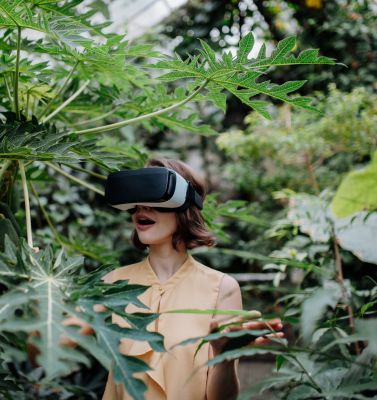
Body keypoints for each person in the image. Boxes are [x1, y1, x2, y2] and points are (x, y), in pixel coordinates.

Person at [99, 157, 283, 400]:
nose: (141, 208)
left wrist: (225, 356)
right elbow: (44, 353)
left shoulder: (222, 288)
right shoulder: (112, 283)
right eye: (137, 199)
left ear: (186, 204)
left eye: (153, 195)